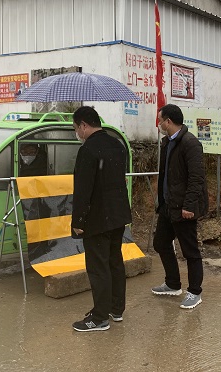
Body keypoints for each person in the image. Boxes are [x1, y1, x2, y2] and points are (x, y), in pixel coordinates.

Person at [70, 106, 132, 332]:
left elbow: (83, 190)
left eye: (76, 128)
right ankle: (116, 309)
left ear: (84, 126)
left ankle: (99, 318)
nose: (77, 133)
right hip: (117, 216)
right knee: (114, 261)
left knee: (98, 267)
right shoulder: (117, 144)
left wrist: (78, 221)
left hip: (97, 218)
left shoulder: (88, 150)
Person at [152, 103, 208, 309]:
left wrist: (189, 205)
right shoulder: (168, 142)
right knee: (160, 243)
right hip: (169, 205)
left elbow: (197, 178)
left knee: (190, 250)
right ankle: (173, 283)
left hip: (184, 207)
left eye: (160, 120)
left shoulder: (190, 143)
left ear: (168, 121)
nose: (158, 124)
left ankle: (195, 292)